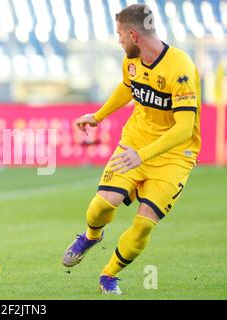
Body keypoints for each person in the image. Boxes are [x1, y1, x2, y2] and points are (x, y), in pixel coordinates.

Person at [62, 4, 201, 295]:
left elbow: (184, 128)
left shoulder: (181, 68)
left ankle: (108, 275)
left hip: (174, 156)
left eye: (120, 35)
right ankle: (91, 236)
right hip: (135, 142)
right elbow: (128, 86)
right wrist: (98, 116)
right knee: (102, 203)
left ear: (134, 34)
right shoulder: (132, 60)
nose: (118, 40)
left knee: (144, 224)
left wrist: (144, 155)